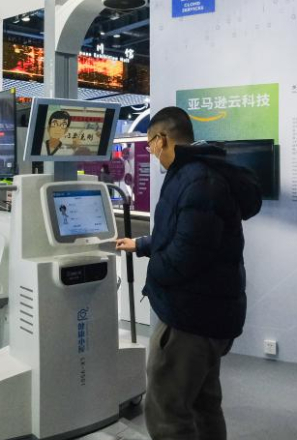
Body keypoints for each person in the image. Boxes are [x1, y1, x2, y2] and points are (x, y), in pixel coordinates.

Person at [116, 106, 262, 440]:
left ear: (162, 139)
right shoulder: (198, 173)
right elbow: (182, 233)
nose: (151, 152)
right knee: (203, 404)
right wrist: (140, 244)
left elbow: (186, 255)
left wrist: (154, 275)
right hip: (209, 314)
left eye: (151, 144)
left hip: (189, 320)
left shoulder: (198, 181)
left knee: (167, 411)